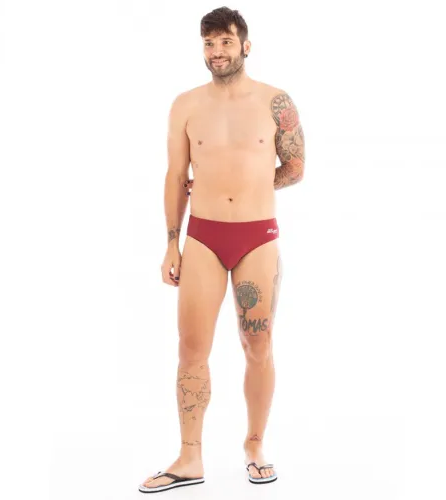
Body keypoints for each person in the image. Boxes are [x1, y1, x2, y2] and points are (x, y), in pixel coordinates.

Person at [139, 6, 305, 494]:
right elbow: (175, 175)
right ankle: (190, 457)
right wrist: (171, 243)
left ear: (245, 46)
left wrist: (254, 183)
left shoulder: (276, 101)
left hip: (257, 237)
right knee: (191, 348)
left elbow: (296, 167)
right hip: (203, 237)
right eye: (209, 44)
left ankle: (254, 445)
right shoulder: (186, 105)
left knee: (258, 345)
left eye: (226, 42)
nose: (216, 52)